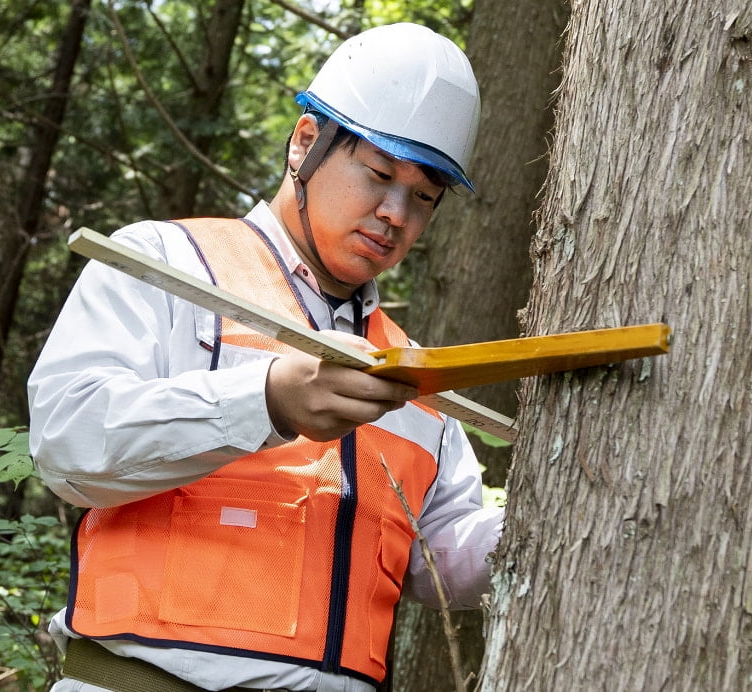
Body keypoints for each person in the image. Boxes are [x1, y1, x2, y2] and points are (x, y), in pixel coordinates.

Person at [28, 23, 502, 692]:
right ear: (305, 143)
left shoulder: (415, 375)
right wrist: (267, 400)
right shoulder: (167, 264)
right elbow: (66, 443)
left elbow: (435, 561)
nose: (395, 213)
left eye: (423, 196)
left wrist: (530, 529)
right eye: (378, 174)